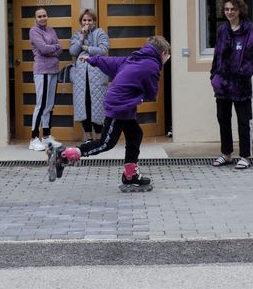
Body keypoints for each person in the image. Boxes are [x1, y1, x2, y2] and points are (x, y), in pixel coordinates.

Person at [56, 36, 171, 191]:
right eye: (167, 57)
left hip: (125, 105)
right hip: (119, 105)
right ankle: (66, 155)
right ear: (163, 53)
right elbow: (151, 92)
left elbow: (112, 62)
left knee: (135, 134)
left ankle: (130, 175)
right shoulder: (152, 65)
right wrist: (145, 95)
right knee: (106, 143)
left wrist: (93, 60)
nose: (166, 60)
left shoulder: (134, 59)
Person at [210, 0, 253, 170]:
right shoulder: (223, 30)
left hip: (241, 86)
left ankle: (245, 156)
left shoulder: (248, 30)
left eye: (233, 9)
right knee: (223, 119)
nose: (229, 12)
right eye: (227, 9)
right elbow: (217, 55)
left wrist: (240, 78)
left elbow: (250, 57)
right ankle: (227, 154)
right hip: (222, 85)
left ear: (239, 10)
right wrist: (214, 76)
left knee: (243, 121)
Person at [69, 9, 110, 142]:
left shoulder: (100, 33)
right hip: (81, 77)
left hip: (97, 75)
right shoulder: (77, 35)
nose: (87, 23)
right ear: (81, 22)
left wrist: (87, 49)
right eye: (84, 20)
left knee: (97, 105)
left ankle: (99, 137)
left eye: (89, 20)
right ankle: (88, 138)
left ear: (94, 21)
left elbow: (103, 50)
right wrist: (81, 38)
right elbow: (73, 51)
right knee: (84, 105)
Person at [28, 6, 63, 151]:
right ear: (35, 18)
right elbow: (42, 49)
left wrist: (52, 48)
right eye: (39, 16)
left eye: (44, 16)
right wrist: (53, 48)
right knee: (41, 105)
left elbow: (60, 48)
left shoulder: (51, 30)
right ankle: (34, 138)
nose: (42, 18)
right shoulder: (34, 31)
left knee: (49, 105)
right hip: (42, 71)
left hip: (54, 70)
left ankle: (47, 136)